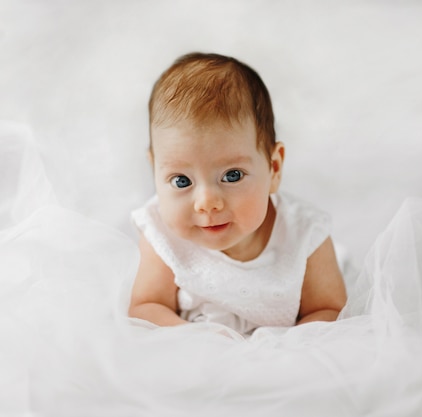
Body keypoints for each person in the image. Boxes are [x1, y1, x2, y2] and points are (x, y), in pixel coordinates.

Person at [128, 52, 347, 334]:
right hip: (199, 356)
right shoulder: (162, 235)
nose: (207, 203)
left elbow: (329, 310)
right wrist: (197, 337)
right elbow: (146, 307)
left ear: (274, 167)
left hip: (284, 355)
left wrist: (282, 351)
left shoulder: (304, 234)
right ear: (155, 169)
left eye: (232, 175)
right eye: (182, 181)